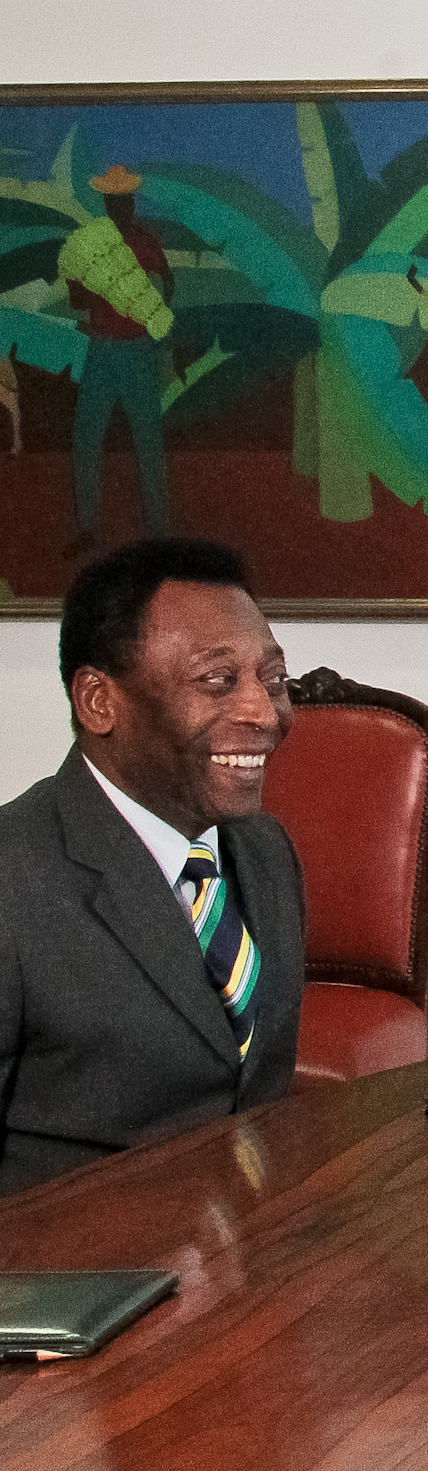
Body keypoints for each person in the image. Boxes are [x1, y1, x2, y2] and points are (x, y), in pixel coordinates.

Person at [0, 539, 305, 1194]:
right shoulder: (11, 878)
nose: (263, 713)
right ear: (99, 702)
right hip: (78, 1284)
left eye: (273, 679)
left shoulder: (265, 850)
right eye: (219, 681)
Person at [61, 165, 179, 553]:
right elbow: (78, 298)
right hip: (105, 351)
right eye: (115, 202)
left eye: (124, 202)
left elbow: (168, 282)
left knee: (144, 442)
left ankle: (155, 532)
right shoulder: (92, 246)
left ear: (130, 203)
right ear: (109, 205)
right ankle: (91, 528)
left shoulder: (142, 243)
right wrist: (103, 286)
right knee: (91, 440)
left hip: (129, 350)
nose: (120, 208)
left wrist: (145, 309)